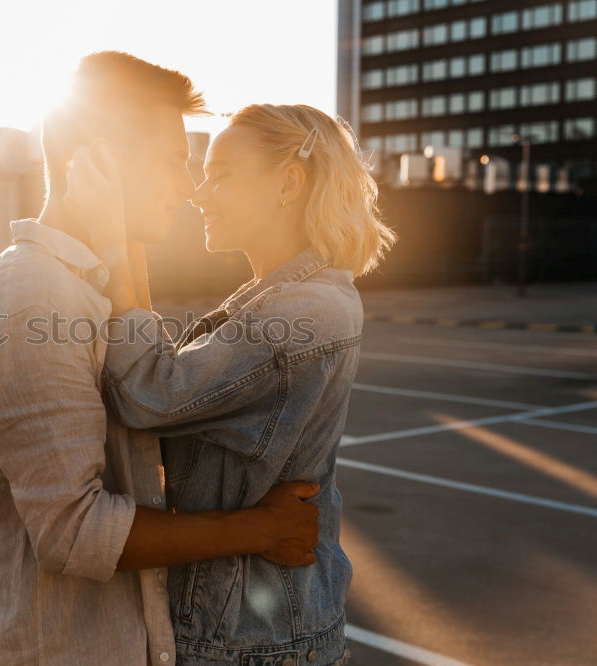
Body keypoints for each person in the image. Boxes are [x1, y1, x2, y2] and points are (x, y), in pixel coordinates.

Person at [0, 53, 323, 666]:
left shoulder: (87, 287)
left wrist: (123, 248)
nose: (190, 186)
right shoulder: (35, 294)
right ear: (98, 163)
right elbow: (74, 532)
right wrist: (258, 530)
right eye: (174, 163)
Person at [65, 103, 396, 665]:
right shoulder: (274, 297)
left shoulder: (307, 312)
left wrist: (114, 240)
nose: (198, 192)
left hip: (253, 642)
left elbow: (152, 395)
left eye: (220, 175)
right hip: (248, 633)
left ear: (289, 183)